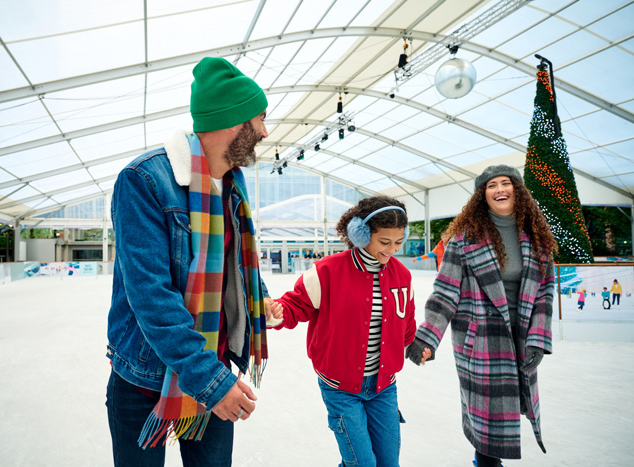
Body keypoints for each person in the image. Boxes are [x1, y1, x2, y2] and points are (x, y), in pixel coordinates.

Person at [105, 56, 277, 467]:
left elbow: (233, 260)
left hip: (211, 363)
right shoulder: (144, 181)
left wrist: (260, 299)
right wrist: (212, 383)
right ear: (232, 121)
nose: (265, 131)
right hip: (148, 378)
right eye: (260, 119)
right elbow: (152, 297)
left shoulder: (232, 184)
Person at [406, 165, 557, 467]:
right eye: (491, 186)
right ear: (482, 195)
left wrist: (539, 339)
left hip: (522, 337)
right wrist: (425, 338)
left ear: (518, 190)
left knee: (510, 409)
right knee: (487, 420)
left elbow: (545, 292)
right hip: (481, 341)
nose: (500, 190)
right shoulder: (464, 240)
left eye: (506, 183)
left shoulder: (537, 238)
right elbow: (445, 292)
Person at [269, 195, 431, 467]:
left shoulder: (402, 275)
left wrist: (412, 345)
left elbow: (407, 321)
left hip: (383, 386)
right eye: (384, 242)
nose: (391, 250)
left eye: (398, 242)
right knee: (361, 463)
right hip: (340, 388)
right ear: (361, 233)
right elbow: (294, 305)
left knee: (388, 462)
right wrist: (276, 312)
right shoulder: (328, 271)